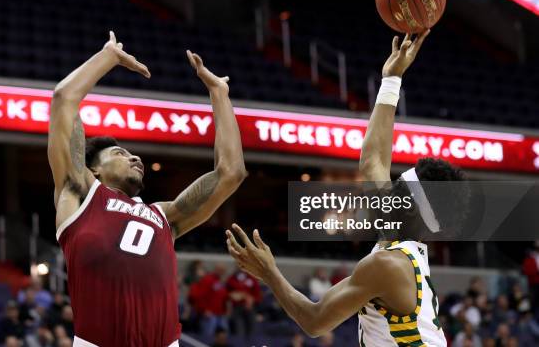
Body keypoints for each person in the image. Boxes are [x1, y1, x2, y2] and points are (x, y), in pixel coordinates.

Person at [226, 30, 470, 346]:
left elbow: (315, 321)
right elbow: (372, 161)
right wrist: (392, 79)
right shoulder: (403, 243)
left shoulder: (389, 264)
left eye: (397, 189)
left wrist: (269, 272)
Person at [47, 31, 247, 346]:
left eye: (131, 153)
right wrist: (108, 57)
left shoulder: (163, 215)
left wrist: (219, 94)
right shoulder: (80, 192)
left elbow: (231, 173)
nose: (134, 157)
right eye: (120, 154)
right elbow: (63, 100)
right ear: (94, 169)